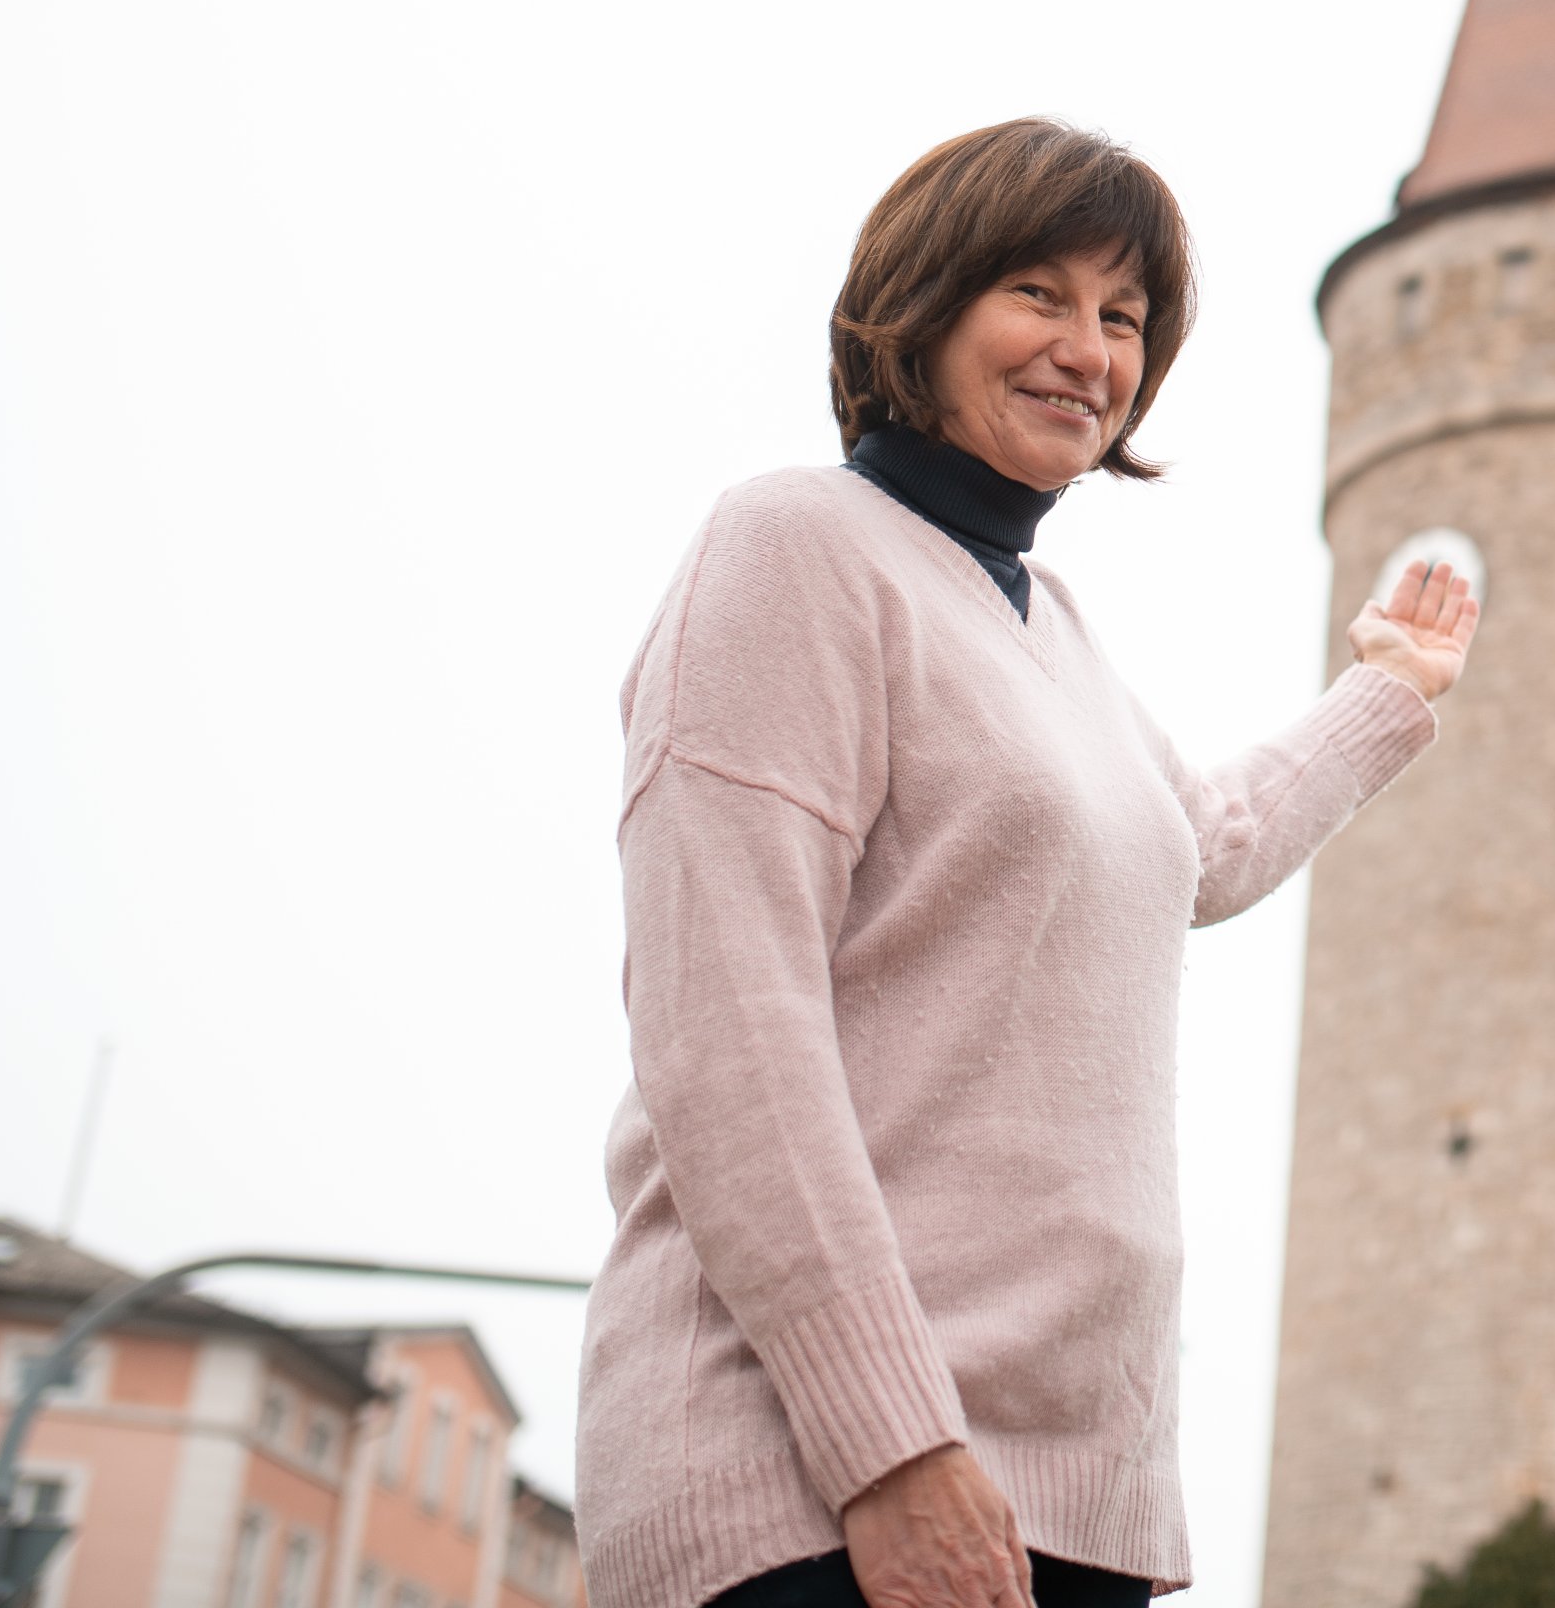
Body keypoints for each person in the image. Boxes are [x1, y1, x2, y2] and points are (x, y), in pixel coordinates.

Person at [578, 119, 1480, 1608]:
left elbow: (1212, 847)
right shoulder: (796, 547)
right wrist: (888, 1447)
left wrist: (1388, 693)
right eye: (1039, 295)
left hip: (1067, 1486)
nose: (1089, 350)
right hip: (820, 1482)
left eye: (1123, 318)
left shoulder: (1047, 624)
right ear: (922, 306)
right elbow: (723, 1031)